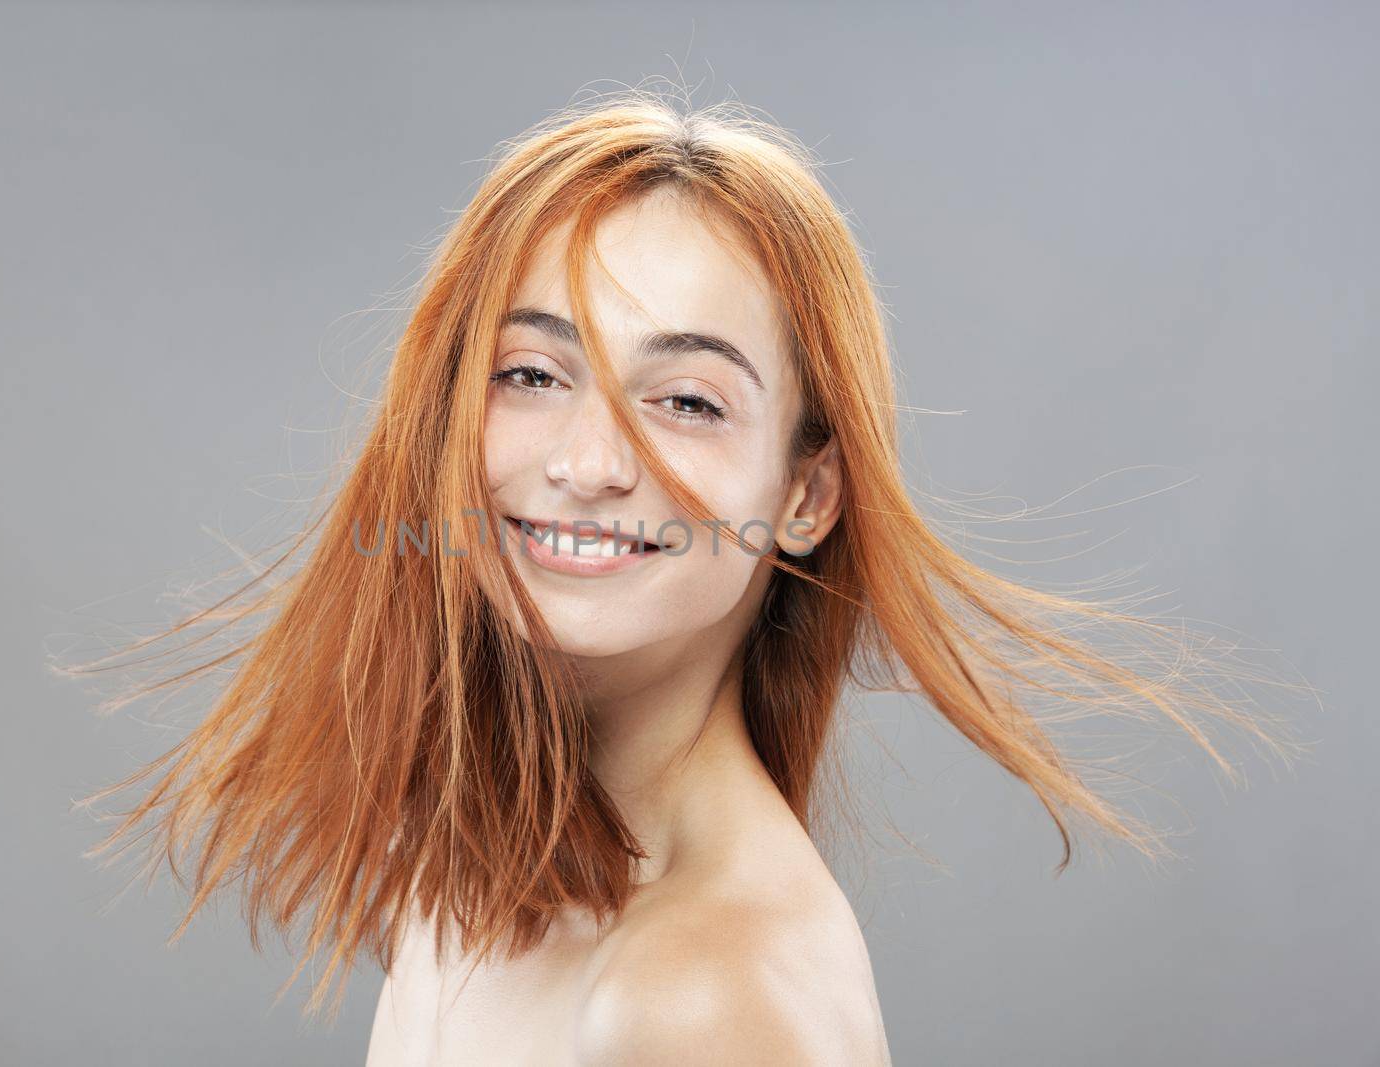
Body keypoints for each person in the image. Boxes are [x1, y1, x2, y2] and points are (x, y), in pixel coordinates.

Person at [72, 90, 1293, 1065]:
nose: (589, 462)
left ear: (806, 497)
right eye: (532, 374)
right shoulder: (468, 868)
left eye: (688, 399)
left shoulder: (704, 990)